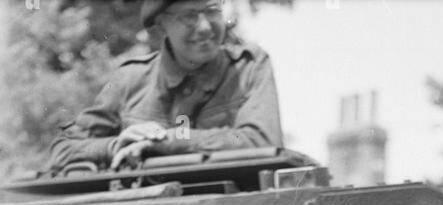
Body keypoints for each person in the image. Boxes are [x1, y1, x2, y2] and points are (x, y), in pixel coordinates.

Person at [49, 0, 282, 175]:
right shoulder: (130, 79)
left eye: (212, 10)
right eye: (189, 16)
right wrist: (115, 145)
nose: (204, 27)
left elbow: (260, 140)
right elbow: (64, 149)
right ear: (162, 26)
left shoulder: (248, 68)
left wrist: (165, 142)